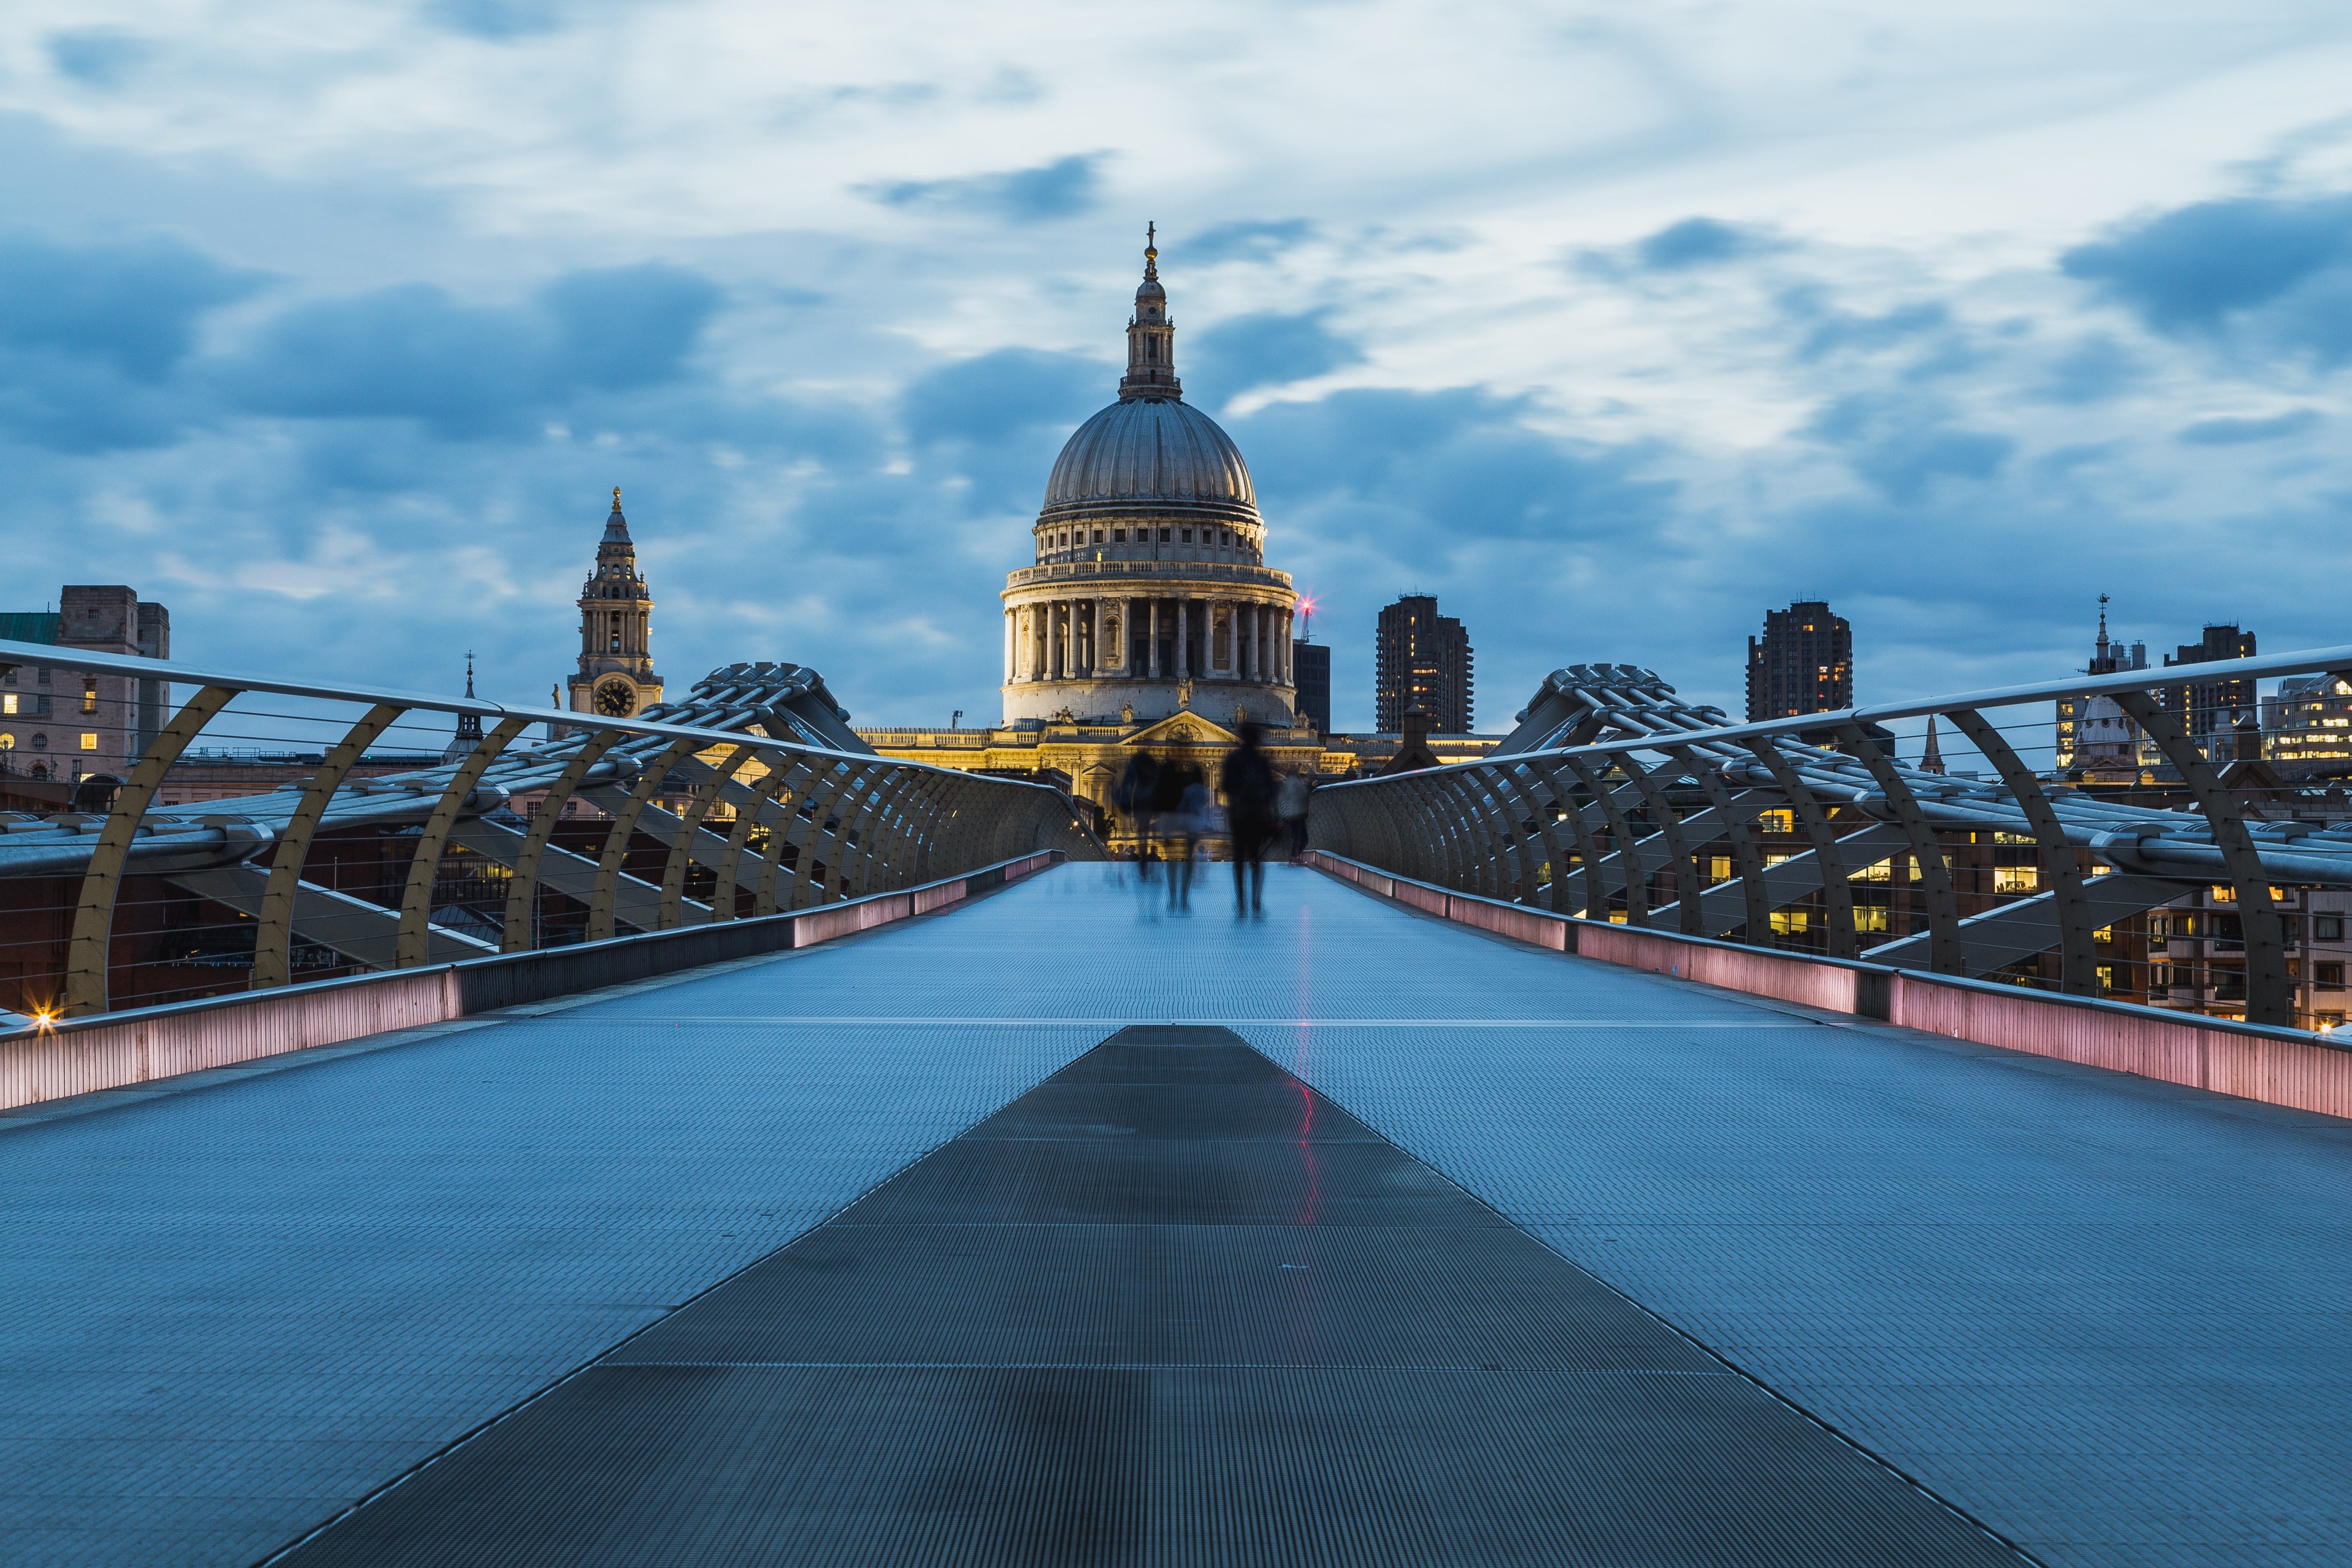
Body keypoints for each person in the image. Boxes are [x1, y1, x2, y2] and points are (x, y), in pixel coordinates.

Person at [1221, 722, 1280, 915]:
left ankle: (1240, 900)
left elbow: (1226, 786)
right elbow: (1272, 790)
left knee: (1238, 858)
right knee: (1256, 856)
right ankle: (1256, 899)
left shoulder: (1233, 759)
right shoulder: (1262, 761)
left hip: (1238, 814)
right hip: (1257, 815)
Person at [1113, 751, 1162, 877]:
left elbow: (1126, 784)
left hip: (1139, 804)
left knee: (1141, 834)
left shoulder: (1133, 767)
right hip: (1149, 804)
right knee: (1144, 833)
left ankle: (1143, 866)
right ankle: (1145, 862)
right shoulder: (1153, 766)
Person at [1277, 768, 1312, 859]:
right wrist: (1311, 787)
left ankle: (1295, 856)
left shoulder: (1291, 784)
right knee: (1298, 838)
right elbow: (1301, 794)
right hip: (1295, 814)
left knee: (1303, 839)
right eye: (1305, 782)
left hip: (1299, 814)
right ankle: (1294, 857)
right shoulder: (1293, 784)